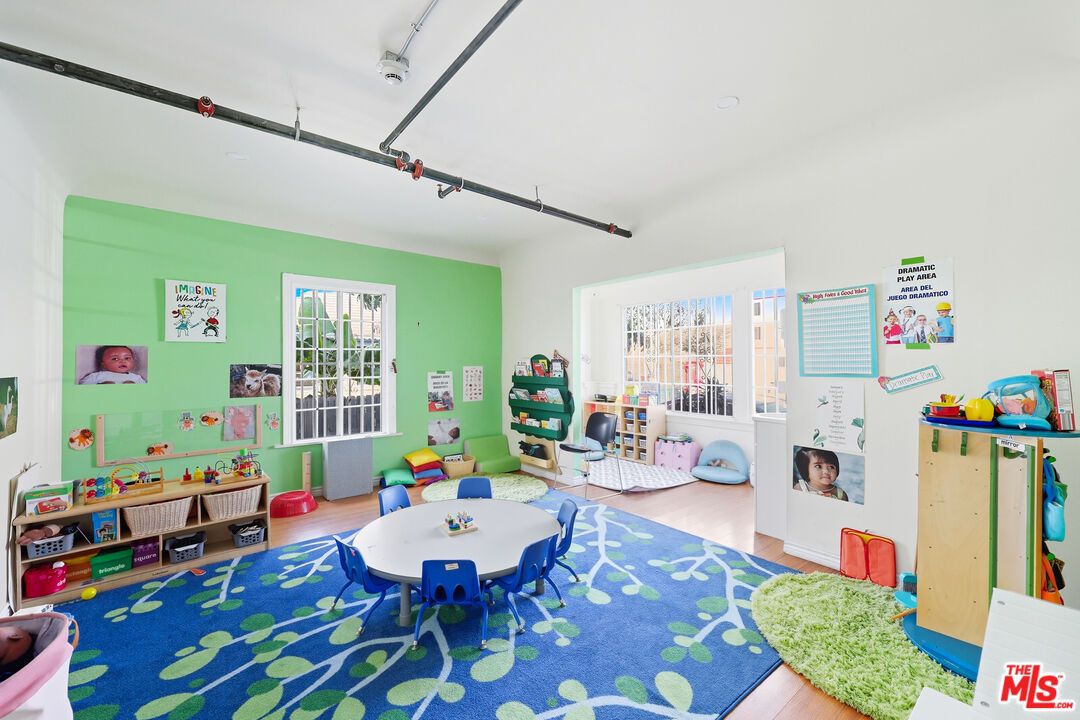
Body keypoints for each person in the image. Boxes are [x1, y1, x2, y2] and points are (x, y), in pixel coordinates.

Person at [78, 346, 147, 384]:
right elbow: (82, 385)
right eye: (115, 359)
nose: (123, 361)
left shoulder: (136, 378)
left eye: (127, 358)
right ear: (103, 364)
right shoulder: (96, 376)